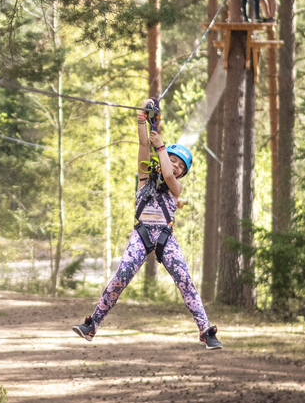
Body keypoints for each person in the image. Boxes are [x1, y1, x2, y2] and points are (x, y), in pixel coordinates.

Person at [72, 98, 221, 349]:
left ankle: (206, 330)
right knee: (121, 276)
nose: (175, 165)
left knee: (184, 280)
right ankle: (92, 324)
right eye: (173, 159)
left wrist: (162, 147)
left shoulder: (176, 187)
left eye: (180, 166)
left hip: (164, 236)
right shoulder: (144, 176)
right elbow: (144, 144)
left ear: (183, 173)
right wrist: (143, 114)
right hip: (141, 234)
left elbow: (166, 173)